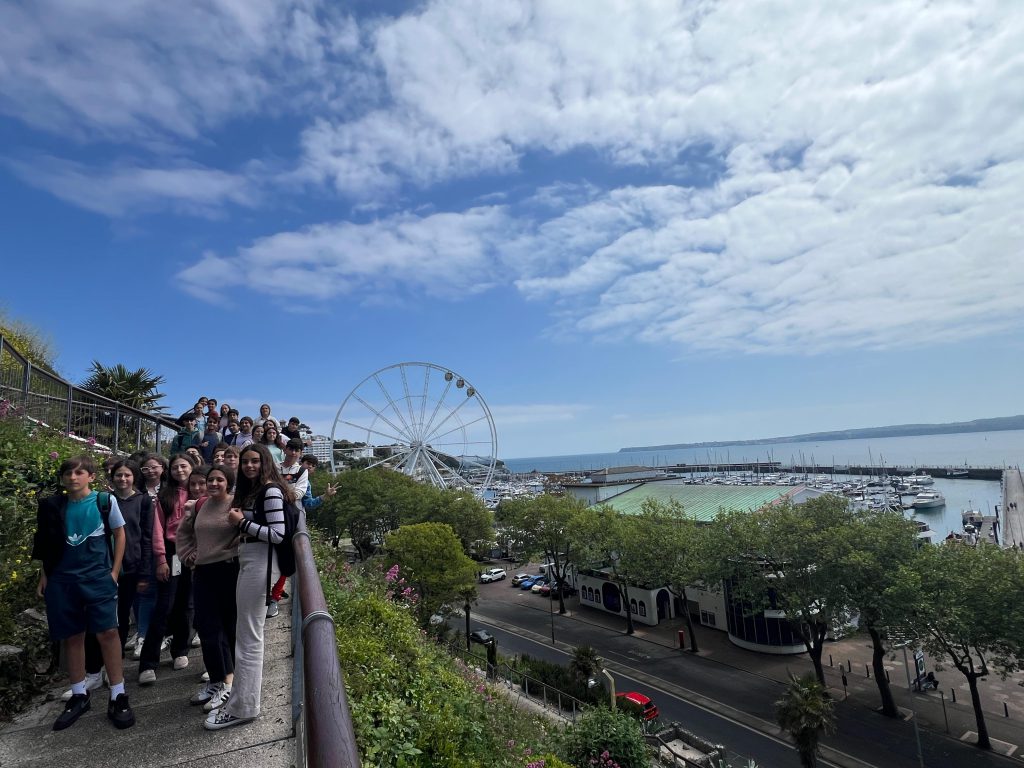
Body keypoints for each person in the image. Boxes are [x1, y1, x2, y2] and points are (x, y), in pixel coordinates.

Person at [32, 454, 135, 730]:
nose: (72, 477)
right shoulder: (54, 506)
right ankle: (79, 694)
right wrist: (45, 575)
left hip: (97, 577)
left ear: (91, 476)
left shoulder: (104, 501)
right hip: (62, 580)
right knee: (72, 635)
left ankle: (118, 693)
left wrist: (114, 572)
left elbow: (120, 533)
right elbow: (47, 544)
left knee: (108, 633)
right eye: (68, 473)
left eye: (79, 473)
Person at [204, 444, 289, 730]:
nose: (250, 466)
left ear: (265, 462)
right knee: (246, 634)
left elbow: (277, 534)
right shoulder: (257, 490)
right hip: (252, 560)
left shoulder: (271, 491)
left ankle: (244, 707)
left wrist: (241, 524)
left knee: (249, 637)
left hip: (261, 562)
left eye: (255, 461)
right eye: (246, 462)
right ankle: (241, 701)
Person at [176, 465, 238, 714]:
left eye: (219, 480)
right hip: (202, 572)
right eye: (210, 480)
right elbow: (183, 534)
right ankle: (215, 680)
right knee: (207, 627)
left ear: (228, 482)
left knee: (229, 627)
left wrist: (231, 550)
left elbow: (245, 531)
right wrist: (188, 556)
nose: (213, 484)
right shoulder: (199, 505)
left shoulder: (237, 504)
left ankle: (230, 681)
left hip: (229, 571)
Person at [138, 454, 192, 684]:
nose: (180, 470)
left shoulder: (199, 491)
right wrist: (160, 559)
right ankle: (148, 662)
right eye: (176, 467)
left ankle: (181, 650)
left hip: (196, 551)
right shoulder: (165, 495)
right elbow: (157, 529)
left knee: (187, 605)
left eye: (184, 466)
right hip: (171, 552)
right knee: (164, 606)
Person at [108, 460, 154, 656]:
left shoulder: (143, 501)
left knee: (125, 611)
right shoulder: (105, 500)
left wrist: (144, 573)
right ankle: (111, 658)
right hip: (107, 566)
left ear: (134, 477)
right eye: (119, 475)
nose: (123, 479)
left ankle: (119, 657)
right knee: (114, 615)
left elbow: (147, 537)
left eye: (127, 475)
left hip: (133, 565)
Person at [266, 439, 309, 618]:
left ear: (300, 453)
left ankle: (274, 597)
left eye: (297, 450)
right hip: (271, 513)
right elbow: (266, 484)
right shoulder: (274, 466)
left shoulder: (301, 471)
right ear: (286, 449)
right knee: (267, 554)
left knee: (286, 557)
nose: (293, 453)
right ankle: (266, 593)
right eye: (291, 449)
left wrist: (277, 494)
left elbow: (300, 492)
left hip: (290, 517)